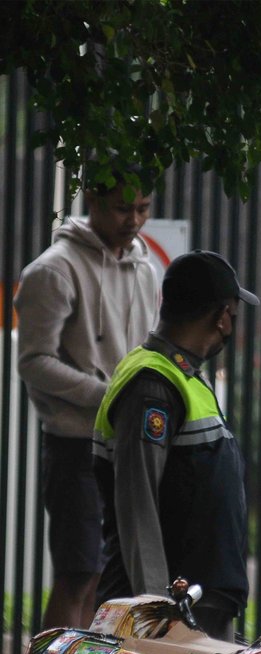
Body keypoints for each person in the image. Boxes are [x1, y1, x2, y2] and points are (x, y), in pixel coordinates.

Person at [14, 164, 160, 630]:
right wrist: (111, 395)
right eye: (122, 208)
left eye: (143, 208)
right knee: (78, 573)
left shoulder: (146, 268)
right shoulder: (53, 271)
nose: (134, 219)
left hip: (129, 443)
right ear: (93, 202)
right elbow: (33, 361)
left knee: (111, 580)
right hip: (75, 443)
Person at [93, 250, 260, 641]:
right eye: (233, 316)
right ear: (222, 317)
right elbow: (138, 503)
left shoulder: (180, 374)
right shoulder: (153, 384)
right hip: (171, 614)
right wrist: (157, 609)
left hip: (198, 603)